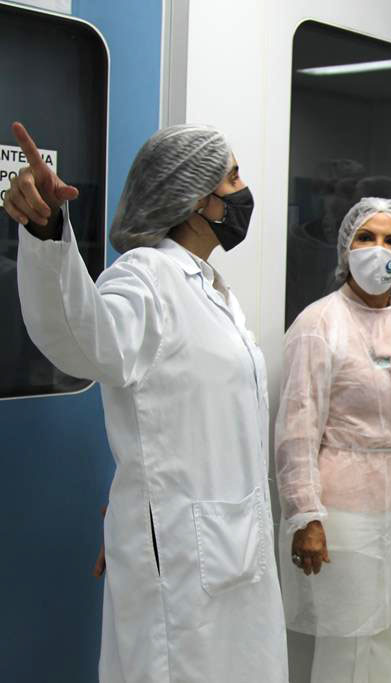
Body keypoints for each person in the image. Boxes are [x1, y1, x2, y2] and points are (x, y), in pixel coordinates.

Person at [4, 121, 288, 681]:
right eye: (232, 178)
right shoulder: (146, 276)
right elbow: (85, 340)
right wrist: (46, 230)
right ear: (196, 198)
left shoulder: (207, 285)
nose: (242, 191)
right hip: (183, 557)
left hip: (227, 542)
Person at [275, 197, 391, 683]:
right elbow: (297, 429)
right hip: (346, 510)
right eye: (366, 237)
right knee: (348, 637)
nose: (379, 249)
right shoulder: (319, 323)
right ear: (346, 248)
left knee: (383, 632)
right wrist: (305, 515)